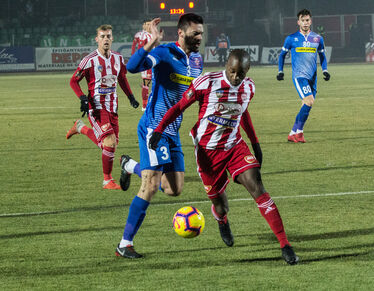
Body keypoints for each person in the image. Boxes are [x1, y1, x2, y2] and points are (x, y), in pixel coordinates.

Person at [149, 49, 299, 265]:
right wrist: (160, 129)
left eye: (240, 73)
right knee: (221, 205)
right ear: (226, 65)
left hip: (235, 147)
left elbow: (243, 113)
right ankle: (222, 219)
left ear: (247, 71)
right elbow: (179, 106)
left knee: (258, 188)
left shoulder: (249, 88)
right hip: (208, 153)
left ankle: (285, 245)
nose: (235, 77)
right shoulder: (206, 83)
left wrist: (255, 144)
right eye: (232, 71)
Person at [115, 14, 204, 259]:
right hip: (154, 128)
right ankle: (125, 244)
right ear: (181, 32)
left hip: (172, 131)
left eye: (201, 34)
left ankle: (130, 165)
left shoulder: (197, 60)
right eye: (195, 33)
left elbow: (193, 95)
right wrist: (151, 41)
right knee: (151, 185)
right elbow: (132, 67)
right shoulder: (164, 52)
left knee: (174, 189)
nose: (199, 38)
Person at [66, 24, 139, 190]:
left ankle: (80, 128)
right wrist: (83, 98)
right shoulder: (89, 60)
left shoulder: (118, 58)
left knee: (109, 145)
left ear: (112, 38)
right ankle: (107, 180)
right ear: (96, 39)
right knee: (110, 142)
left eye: (108, 36)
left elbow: (122, 79)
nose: (106, 39)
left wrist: (131, 97)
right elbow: (73, 81)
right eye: (102, 36)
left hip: (113, 107)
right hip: (97, 107)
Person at [277, 9, 330, 143]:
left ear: (310, 21)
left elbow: (322, 55)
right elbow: (282, 55)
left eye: (307, 20)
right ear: (298, 22)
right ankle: (298, 133)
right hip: (299, 76)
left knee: (306, 104)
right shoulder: (291, 38)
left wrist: (325, 70)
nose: (305, 23)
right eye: (303, 20)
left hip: (313, 77)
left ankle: (294, 133)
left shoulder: (318, 38)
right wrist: (280, 71)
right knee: (309, 101)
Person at [131, 19, 153, 111]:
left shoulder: (152, 35)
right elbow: (136, 46)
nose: (149, 26)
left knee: (150, 82)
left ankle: (148, 104)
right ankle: (145, 106)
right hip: (147, 62)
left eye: (150, 24)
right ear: (143, 25)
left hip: (152, 61)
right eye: (147, 24)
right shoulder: (143, 35)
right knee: (146, 83)